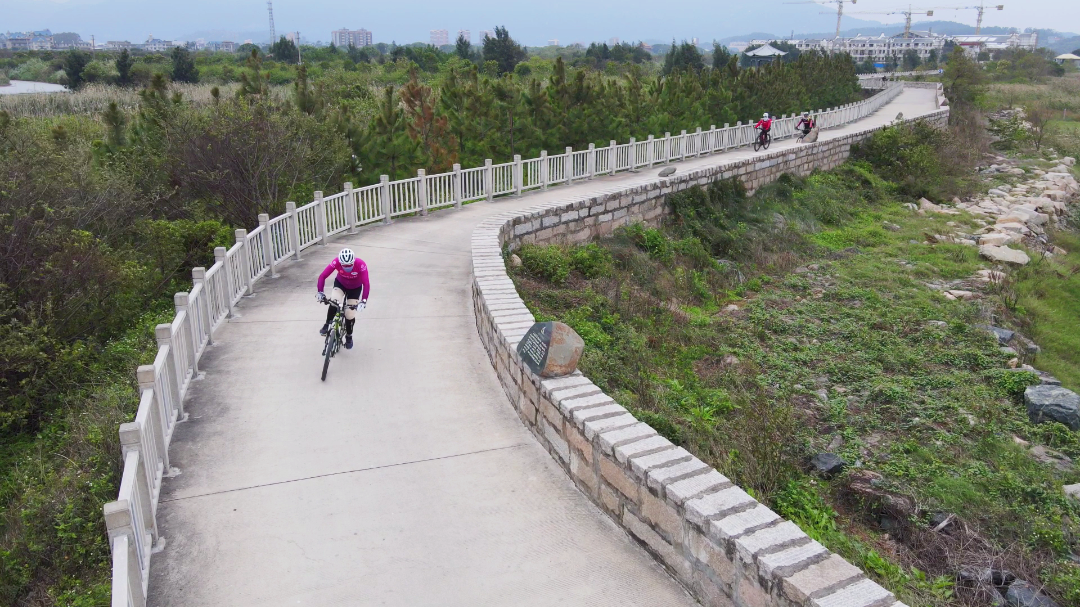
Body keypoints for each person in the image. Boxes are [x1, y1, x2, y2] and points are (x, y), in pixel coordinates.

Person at [317, 248, 370, 349]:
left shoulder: (361, 264)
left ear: (353, 261)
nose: (347, 267)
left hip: (355, 288)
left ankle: (349, 336)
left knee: (349, 314)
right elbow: (323, 276)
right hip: (340, 284)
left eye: (350, 265)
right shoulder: (336, 262)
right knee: (334, 301)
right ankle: (327, 323)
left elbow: (366, 283)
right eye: (344, 265)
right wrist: (320, 292)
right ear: (340, 262)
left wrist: (364, 301)